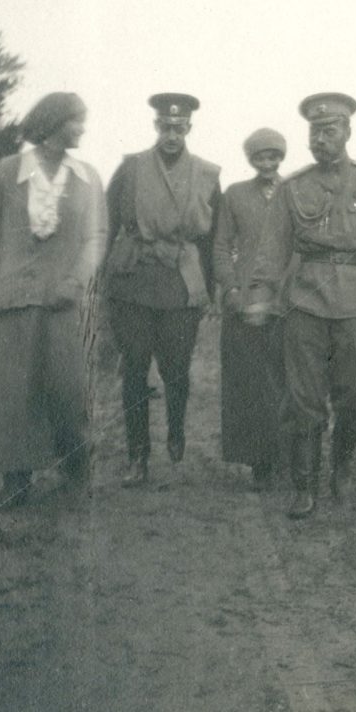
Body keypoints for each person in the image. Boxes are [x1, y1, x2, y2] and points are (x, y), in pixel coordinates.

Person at [244, 93, 356, 519]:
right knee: (303, 400)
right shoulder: (293, 187)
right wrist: (262, 295)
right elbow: (272, 248)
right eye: (314, 131)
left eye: (329, 129)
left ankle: (340, 462)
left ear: (348, 131)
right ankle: (306, 486)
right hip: (306, 301)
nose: (320, 138)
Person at [0, 93, 106, 510]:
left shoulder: (87, 178)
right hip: (10, 303)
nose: (83, 129)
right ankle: (16, 481)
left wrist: (75, 281)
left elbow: (94, 238)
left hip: (62, 303)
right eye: (77, 121)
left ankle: (75, 475)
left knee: (69, 390)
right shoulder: (6, 172)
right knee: (13, 393)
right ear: (54, 123)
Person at [103, 93, 221, 485]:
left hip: (180, 283)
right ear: (156, 126)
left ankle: (176, 429)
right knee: (135, 367)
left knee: (177, 369)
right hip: (134, 278)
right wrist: (101, 278)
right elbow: (107, 224)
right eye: (165, 126)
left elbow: (212, 239)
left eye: (179, 127)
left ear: (189, 128)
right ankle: (138, 456)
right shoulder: (132, 167)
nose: (172, 134)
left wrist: (209, 290)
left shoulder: (207, 174)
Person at [213, 128, 288, 488]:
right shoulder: (234, 194)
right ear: (251, 160)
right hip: (245, 301)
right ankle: (260, 462)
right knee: (251, 385)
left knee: (287, 383)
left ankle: (291, 458)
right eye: (260, 158)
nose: (268, 164)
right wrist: (230, 287)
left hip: (287, 301)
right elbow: (221, 246)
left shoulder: (295, 192)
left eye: (273, 157)